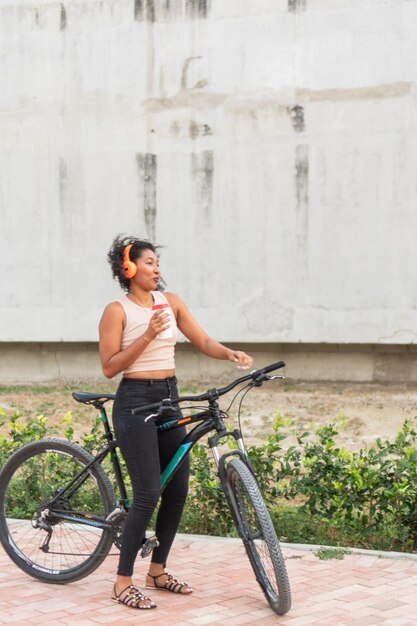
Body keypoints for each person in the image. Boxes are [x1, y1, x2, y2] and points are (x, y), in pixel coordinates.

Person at [98, 235, 253, 610]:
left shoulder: (171, 302)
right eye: (148, 263)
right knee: (148, 493)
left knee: (178, 489)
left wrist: (228, 353)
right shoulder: (116, 311)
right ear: (129, 268)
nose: (157, 269)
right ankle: (121, 582)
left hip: (169, 398)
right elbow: (109, 367)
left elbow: (201, 339)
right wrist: (148, 335)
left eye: (157, 262)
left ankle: (157, 570)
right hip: (134, 402)